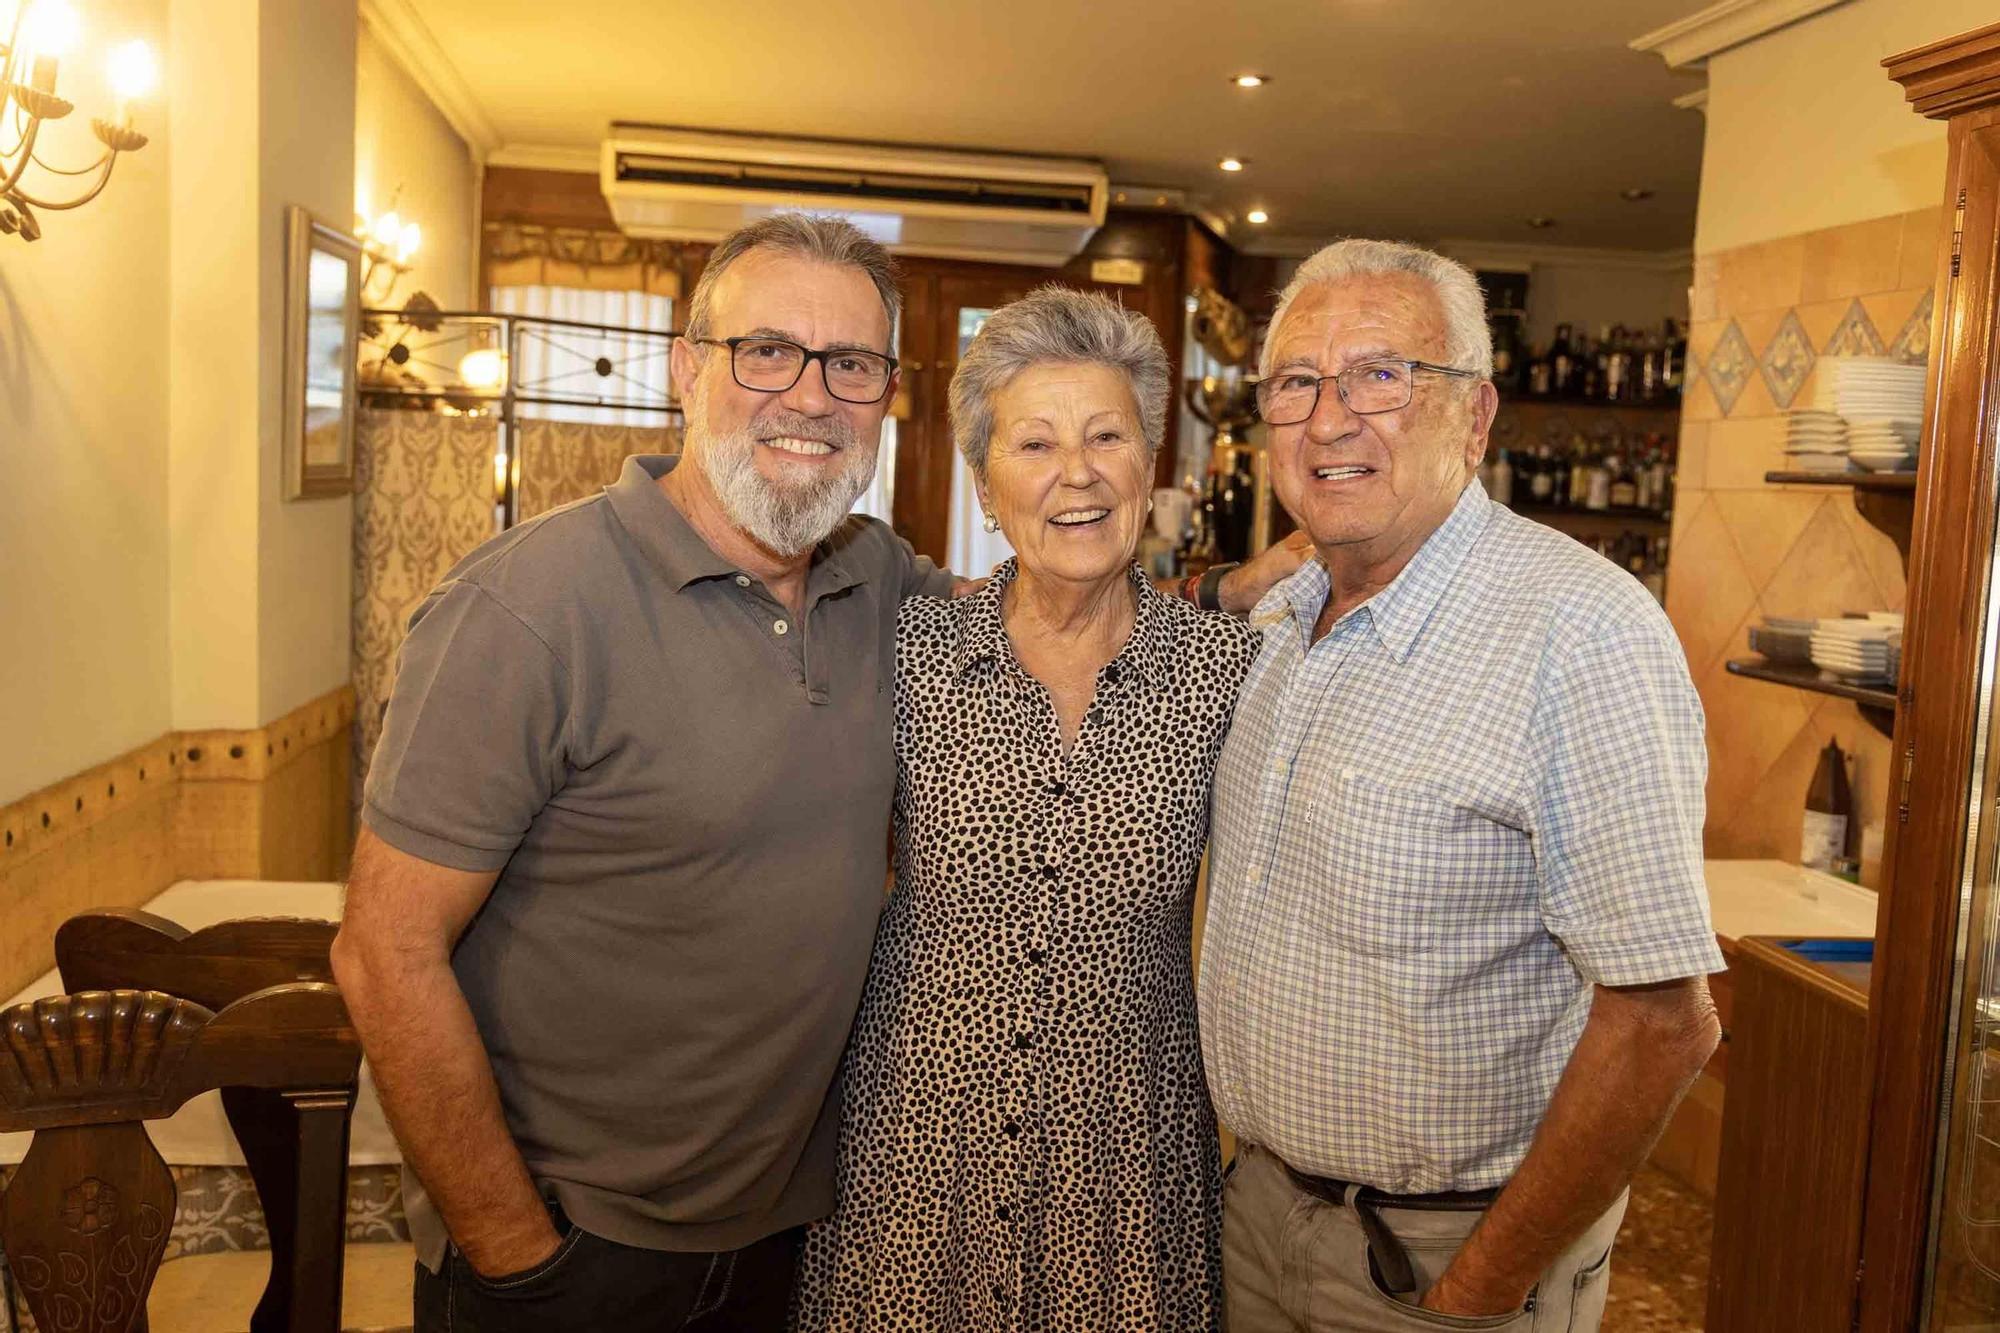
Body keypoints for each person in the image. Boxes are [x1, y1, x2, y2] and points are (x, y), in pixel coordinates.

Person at [333, 213, 1300, 1332]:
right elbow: (381, 951)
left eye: (848, 363)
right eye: (766, 351)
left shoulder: (876, 587)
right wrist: (518, 1258)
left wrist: (1237, 588)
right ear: (686, 370)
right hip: (587, 1243)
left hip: (801, 1219)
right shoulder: (526, 607)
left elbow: (1067, 585)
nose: (809, 396)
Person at [1199, 239, 1724, 1333]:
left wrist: (1477, 1289)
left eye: (1379, 376)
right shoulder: (1280, 617)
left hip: (1441, 1259)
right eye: (1296, 383)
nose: (1329, 420)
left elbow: (1663, 1024)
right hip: (1255, 1213)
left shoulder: (1580, 632)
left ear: (1475, 416)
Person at [792, 287, 1264, 1331]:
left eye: (1107, 436)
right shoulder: (908, 653)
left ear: (1150, 462)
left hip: (1126, 1159)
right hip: (916, 1144)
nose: (1077, 473)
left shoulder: (1226, 671)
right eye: (1035, 443)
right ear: (984, 482)